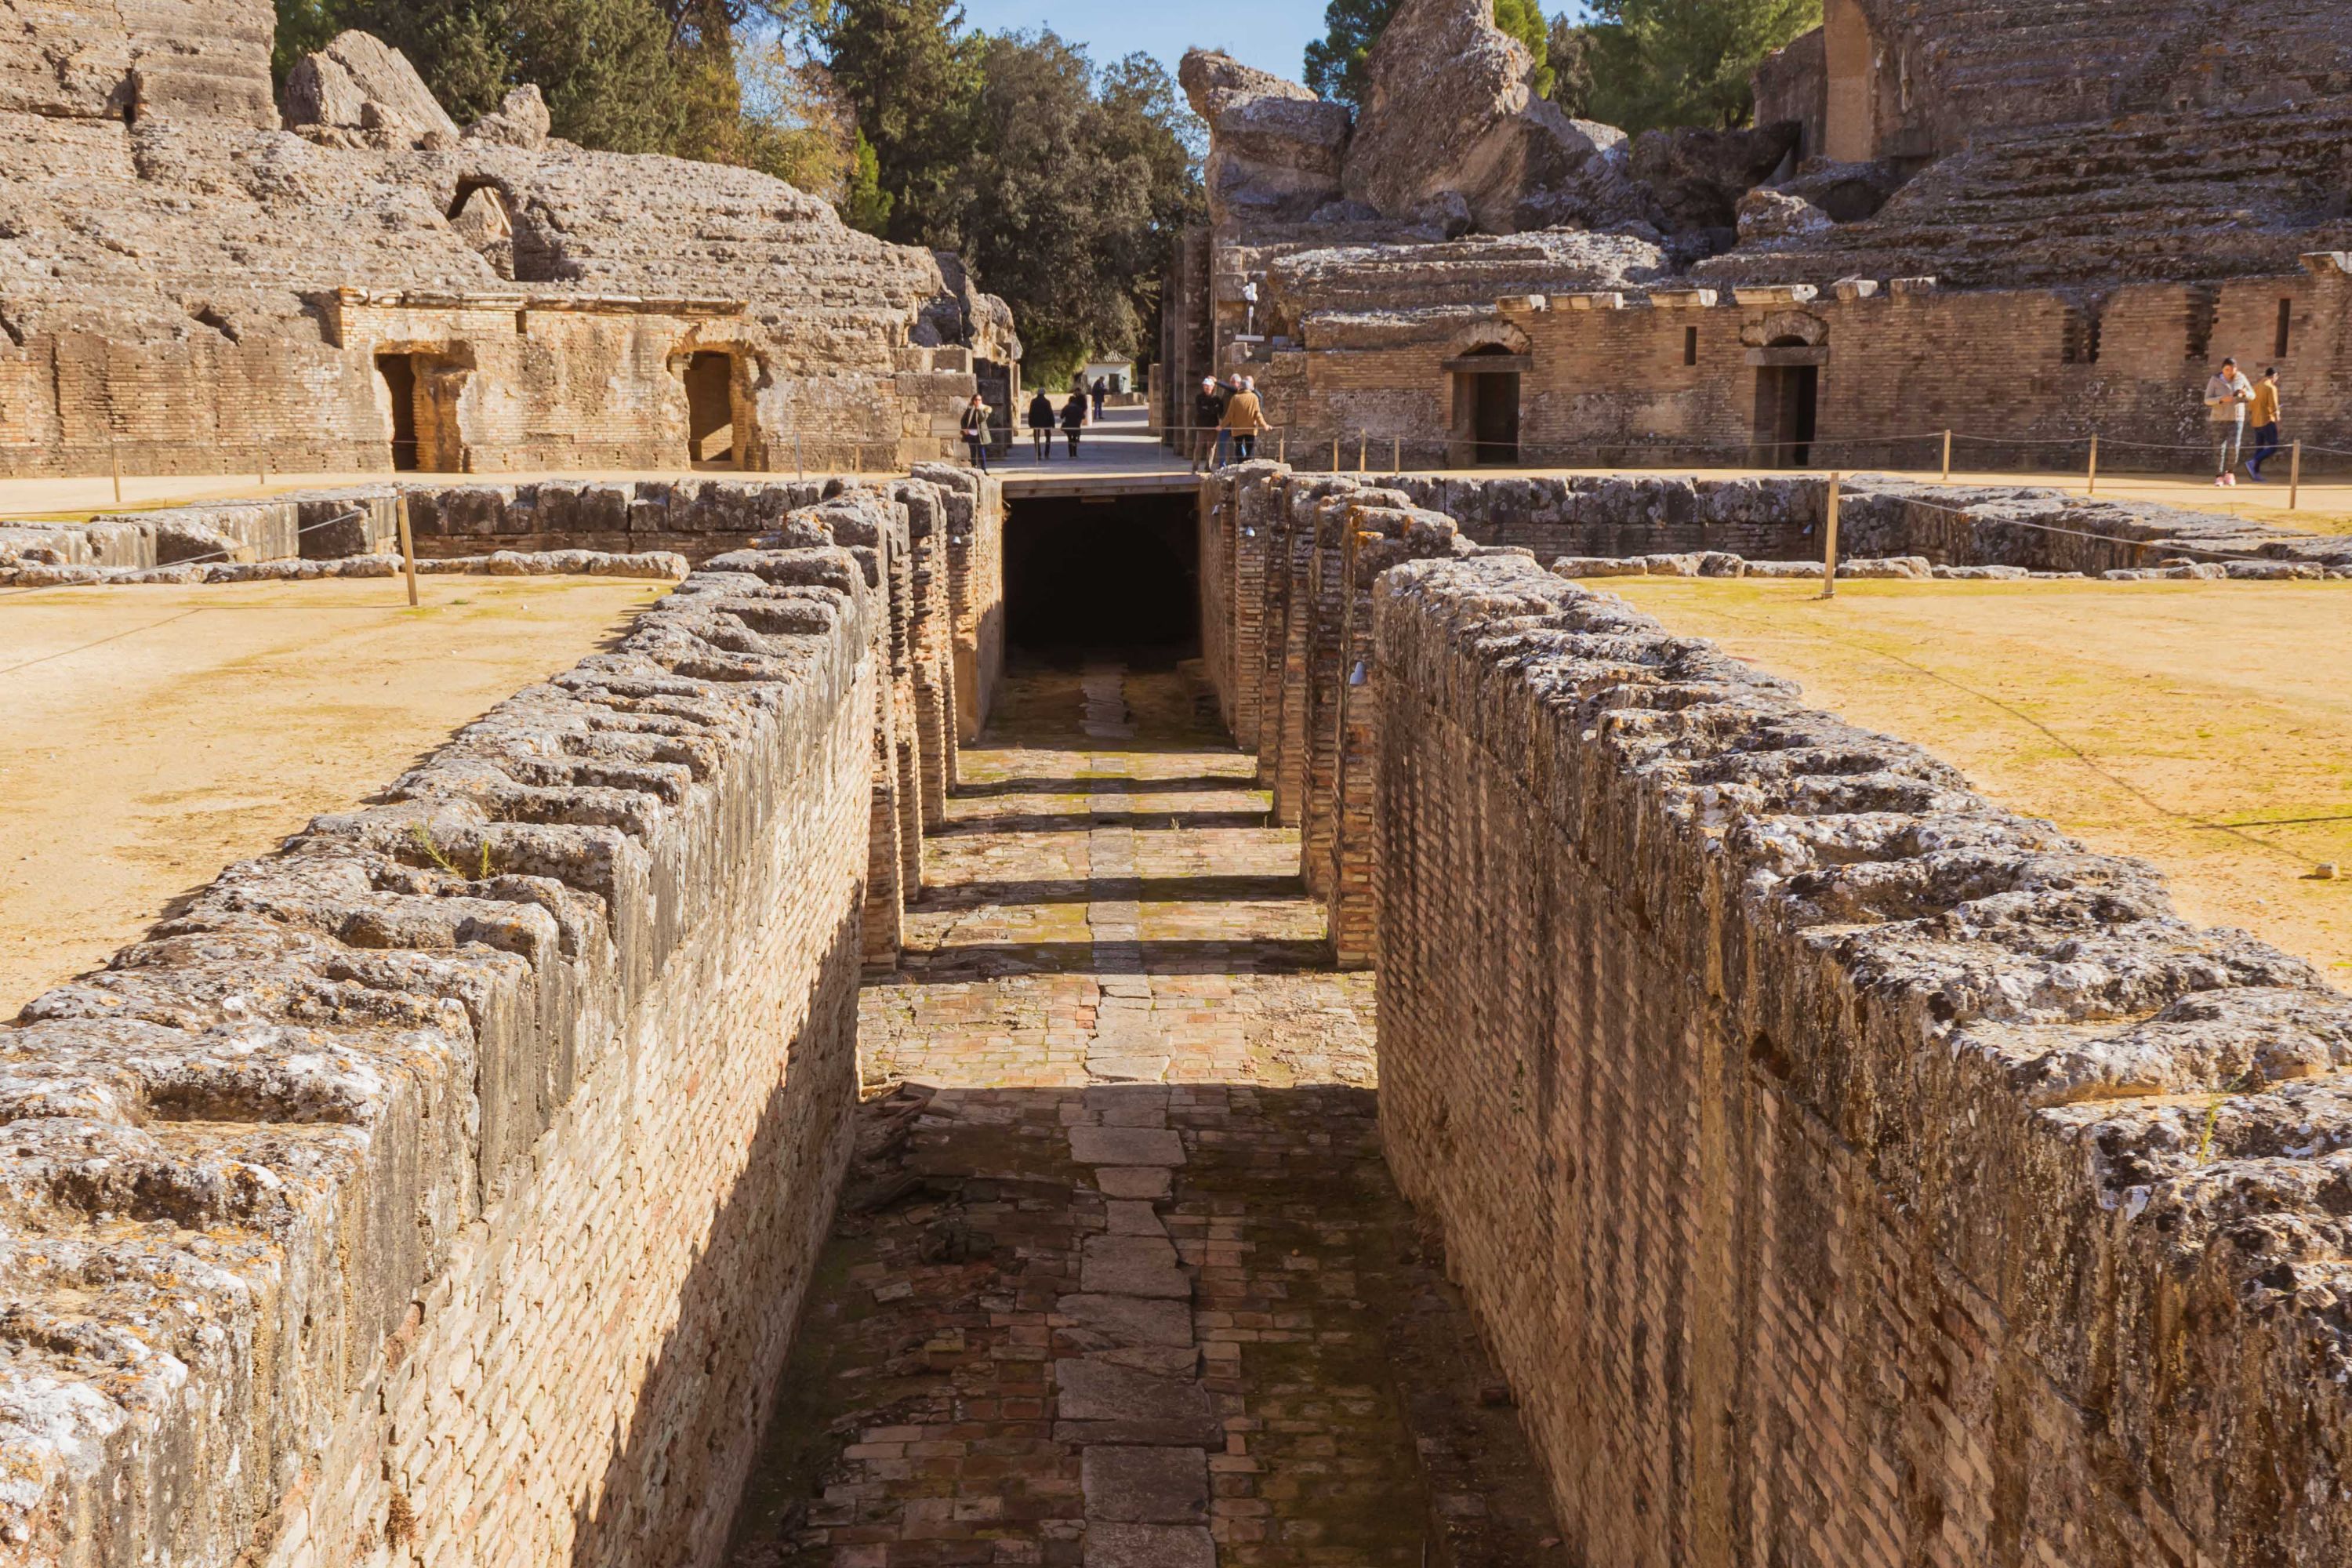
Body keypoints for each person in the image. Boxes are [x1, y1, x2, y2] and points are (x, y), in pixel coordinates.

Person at [2204, 356, 2253, 487]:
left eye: (2232, 370)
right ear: (2222, 369)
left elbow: (2253, 395)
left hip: (2236, 417)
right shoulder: (2215, 380)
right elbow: (2207, 400)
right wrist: (2221, 399)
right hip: (2219, 417)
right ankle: (2219, 476)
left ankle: (2230, 473)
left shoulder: (2241, 378)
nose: (2229, 372)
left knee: (2234, 446)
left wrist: (2244, 393)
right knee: (2219, 448)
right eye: (2227, 370)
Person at [2246, 366, 2283, 481]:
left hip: (2256, 421)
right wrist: (2278, 423)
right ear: (2275, 376)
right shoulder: (2271, 387)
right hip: (2267, 420)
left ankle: (2255, 474)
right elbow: (2274, 407)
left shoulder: (2255, 387)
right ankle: (2253, 462)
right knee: (2273, 446)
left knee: (2259, 449)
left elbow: (2250, 406)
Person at [1221, 375, 1269, 463]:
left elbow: (1229, 415)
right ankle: (1248, 465)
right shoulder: (1254, 398)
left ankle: (1240, 464)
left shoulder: (1235, 398)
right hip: (1250, 428)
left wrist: (1222, 426)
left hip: (1237, 429)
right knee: (1249, 448)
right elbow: (1257, 414)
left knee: (1238, 447)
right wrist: (1264, 425)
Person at [1192, 376, 1231, 472]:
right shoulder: (1199, 398)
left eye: (1208, 386)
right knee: (1198, 447)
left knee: (1211, 448)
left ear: (1212, 387)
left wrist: (1208, 409)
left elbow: (1220, 410)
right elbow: (1200, 410)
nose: (1206, 388)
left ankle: (1208, 467)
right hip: (1202, 426)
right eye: (1205, 386)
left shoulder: (1216, 399)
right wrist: (1212, 409)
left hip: (1213, 426)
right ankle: (1195, 467)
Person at [959, 393, 992, 474]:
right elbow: (963, 420)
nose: (978, 401)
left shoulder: (985, 409)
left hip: (980, 434)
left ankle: (984, 469)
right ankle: (974, 468)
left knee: (981, 452)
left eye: (979, 400)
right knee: (973, 452)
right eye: (976, 400)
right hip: (970, 433)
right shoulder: (970, 409)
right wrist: (964, 429)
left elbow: (982, 419)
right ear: (973, 401)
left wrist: (979, 409)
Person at [1027, 388, 1056, 463]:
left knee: (1036, 439)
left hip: (1036, 423)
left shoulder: (1034, 402)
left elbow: (1031, 413)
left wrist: (1030, 422)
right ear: (1044, 394)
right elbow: (1050, 413)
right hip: (1046, 423)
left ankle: (1038, 454)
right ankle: (1047, 454)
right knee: (1048, 438)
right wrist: (1053, 423)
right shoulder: (1047, 402)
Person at [1060, 387, 1087, 457]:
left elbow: (1061, 416)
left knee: (1069, 439)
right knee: (1075, 439)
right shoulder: (1078, 408)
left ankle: (1070, 454)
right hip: (1076, 425)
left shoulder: (1066, 407)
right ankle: (1075, 453)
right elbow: (1083, 416)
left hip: (1068, 426)